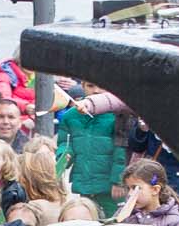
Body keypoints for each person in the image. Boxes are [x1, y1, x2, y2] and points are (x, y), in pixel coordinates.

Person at [56, 83, 131, 215]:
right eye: (90, 86)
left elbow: (122, 149)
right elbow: (65, 143)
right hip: (84, 182)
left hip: (110, 187)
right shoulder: (70, 116)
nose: (96, 91)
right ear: (83, 86)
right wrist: (63, 156)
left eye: (101, 86)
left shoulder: (119, 114)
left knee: (112, 224)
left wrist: (119, 181)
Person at [116, 158, 179, 226]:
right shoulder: (124, 213)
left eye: (136, 188)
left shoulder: (172, 220)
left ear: (155, 190)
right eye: (128, 188)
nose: (130, 193)